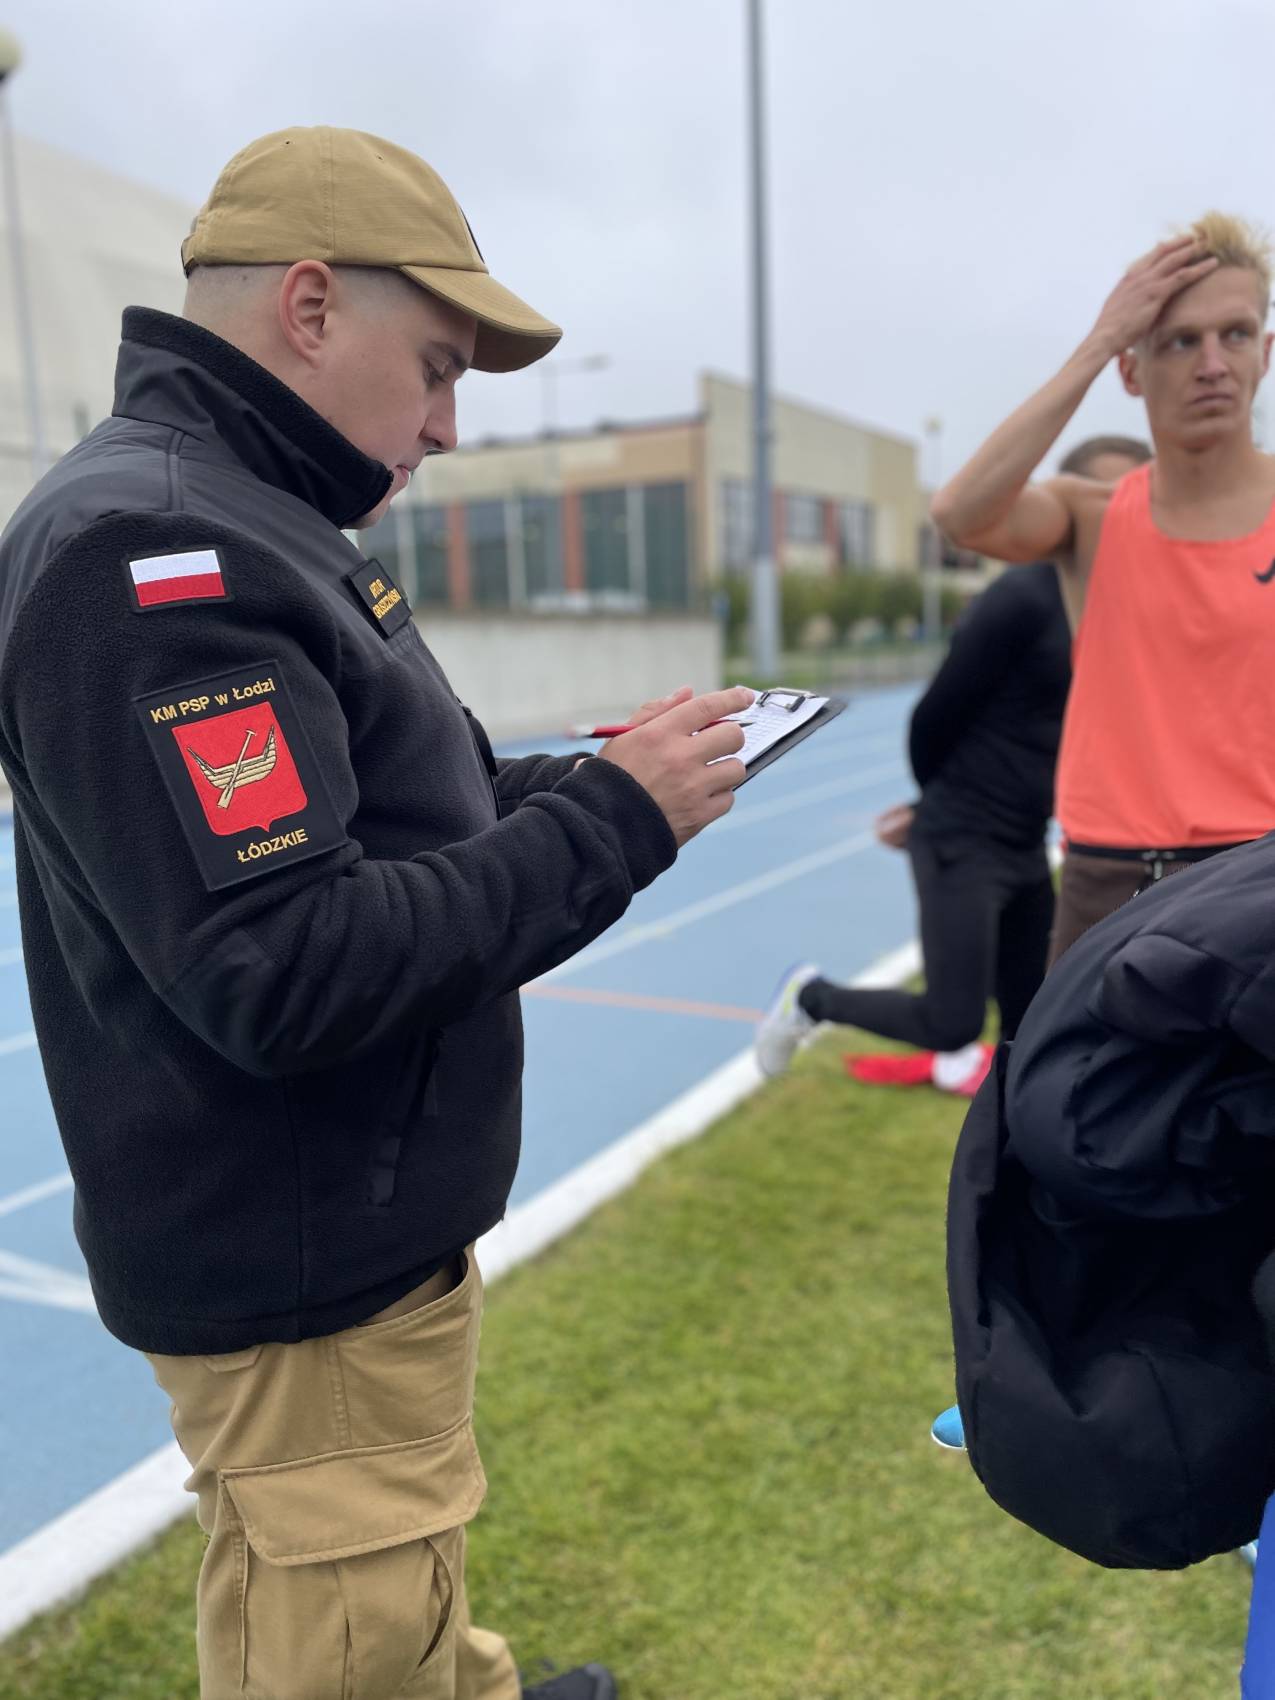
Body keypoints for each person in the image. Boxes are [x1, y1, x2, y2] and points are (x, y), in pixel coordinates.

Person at [0, 127, 753, 1700]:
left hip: (338, 1229)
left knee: (376, 1584)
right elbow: (286, 965)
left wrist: (596, 776)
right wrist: (614, 826)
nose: (447, 425)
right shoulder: (163, 552)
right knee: (342, 1630)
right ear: (310, 306)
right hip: (302, 1261)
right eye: (437, 369)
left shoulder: (247, 513)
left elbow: (396, 801)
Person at [929, 214, 1275, 962]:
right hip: (1109, 880)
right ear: (1130, 371)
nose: (1212, 364)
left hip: (1259, 877)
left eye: (1235, 334)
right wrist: (1097, 342)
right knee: (1061, 1050)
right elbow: (960, 513)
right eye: (1180, 341)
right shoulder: (1091, 516)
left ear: (1265, 352)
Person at [753, 436, 1149, 1089]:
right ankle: (810, 998)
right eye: (1107, 494)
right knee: (952, 1020)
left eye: (1137, 495)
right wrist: (938, 805)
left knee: (1033, 1023)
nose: (1122, 510)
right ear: (1065, 503)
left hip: (1025, 841)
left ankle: (1013, 1145)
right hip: (963, 836)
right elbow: (934, 716)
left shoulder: (1123, 605)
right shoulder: (1022, 597)